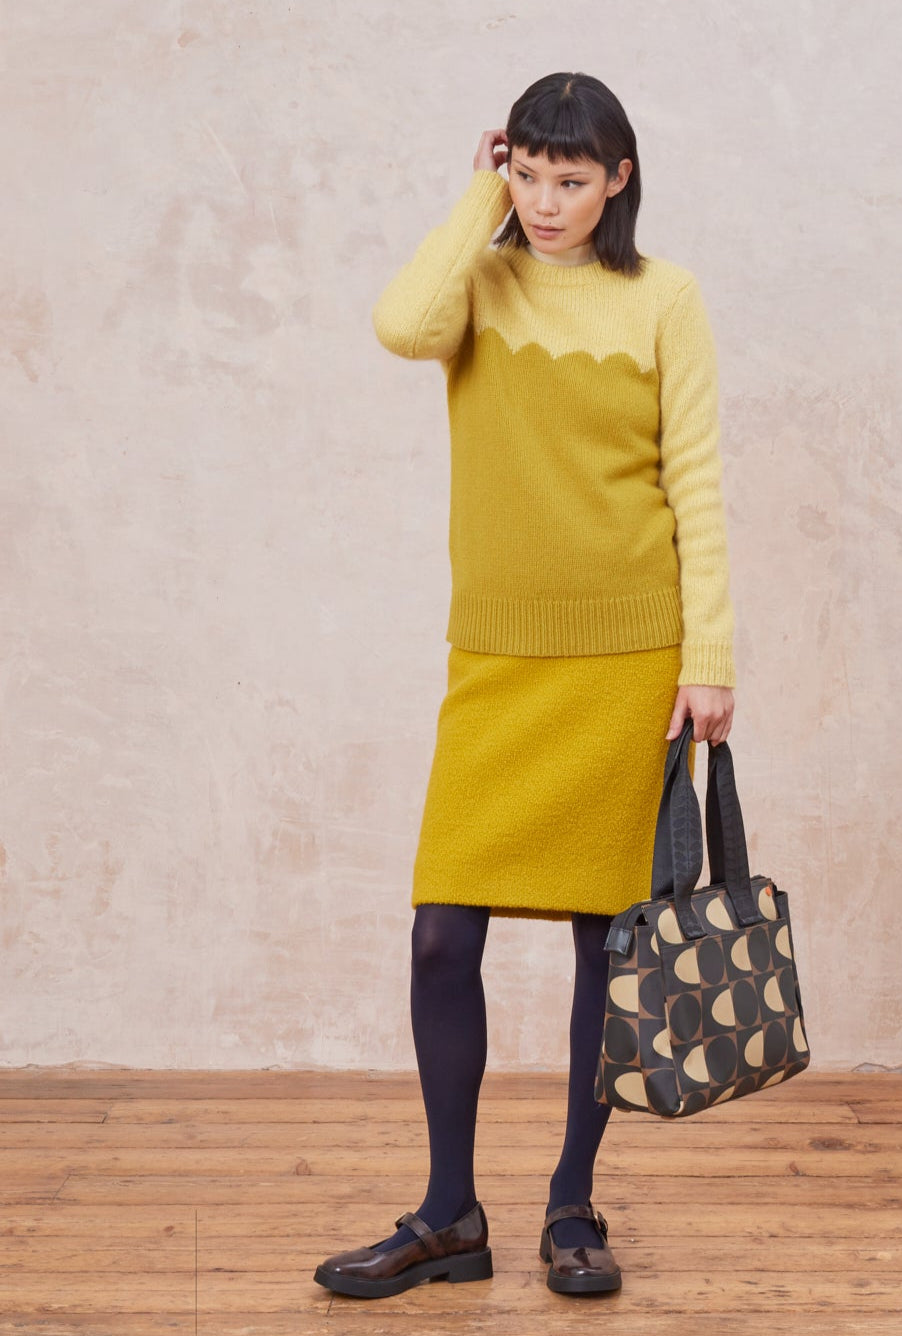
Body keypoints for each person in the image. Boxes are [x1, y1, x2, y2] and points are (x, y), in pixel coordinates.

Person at [312, 71, 737, 1299]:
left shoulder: (664, 297)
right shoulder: (479, 282)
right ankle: (449, 1212)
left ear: (618, 180)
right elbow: (401, 325)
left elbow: (695, 480)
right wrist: (474, 201)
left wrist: (707, 658)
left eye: (570, 179)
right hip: (496, 657)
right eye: (529, 175)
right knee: (443, 935)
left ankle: (571, 1204)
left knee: (608, 943)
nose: (546, 202)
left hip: (627, 657)